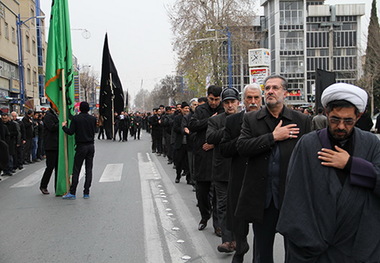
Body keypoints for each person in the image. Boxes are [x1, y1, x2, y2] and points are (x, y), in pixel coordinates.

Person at [277, 83, 380, 262]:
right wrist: (307, 240)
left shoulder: (371, 144)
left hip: (357, 247)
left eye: (348, 121)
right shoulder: (308, 145)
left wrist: (351, 164)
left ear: (359, 116)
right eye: (335, 119)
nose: (341, 126)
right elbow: (295, 197)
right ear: (326, 113)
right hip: (314, 247)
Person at [236, 75, 311, 263]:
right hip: (263, 199)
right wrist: (273, 137)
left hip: (291, 198)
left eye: (275, 88)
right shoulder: (252, 120)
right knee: (262, 252)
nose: (270, 91)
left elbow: (309, 157)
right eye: (267, 88)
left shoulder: (302, 121)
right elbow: (243, 148)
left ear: (284, 93)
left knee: (294, 251)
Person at [220, 84, 263, 263]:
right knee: (239, 218)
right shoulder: (232, 121)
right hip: (240, 176)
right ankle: (240, 247)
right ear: (243, 101)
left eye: (256, 98)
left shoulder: (269, 120)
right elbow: (224, 149)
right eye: (249, 98)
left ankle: (259, 256)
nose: (252, 102)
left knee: (262, 223)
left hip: (262, 177)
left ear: (261, 99)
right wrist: (242, 140)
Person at [206, 87, 241, 253]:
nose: (230, 105)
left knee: (240, 207)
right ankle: (227, 240)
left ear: (238, 102)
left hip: (242, 169)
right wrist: (229, 127)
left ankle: (239, 239)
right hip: (222, 171)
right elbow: (210, 138)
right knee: (223, 206)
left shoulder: (246, 118)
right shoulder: (216, 120)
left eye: (232, 102)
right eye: (226, 102)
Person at [189, 85, 224, 232]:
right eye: (211, 99)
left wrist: (214, 144)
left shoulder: (224, 110)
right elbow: (192, 125)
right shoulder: (200, 110)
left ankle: (218, 225)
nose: (214, 103)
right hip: (202, 155)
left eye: (217, 100)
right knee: (201, 192)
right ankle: (204, 215)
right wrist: (210, 120)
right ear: (207, 96)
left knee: (218, 193)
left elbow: (228, 130)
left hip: (218, 155)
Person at [61, 102, 97, 200]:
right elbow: (95, 130)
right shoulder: (93, 119)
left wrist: (64, 126)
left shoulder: (76, 119)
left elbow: (71, 132)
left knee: (76, 169)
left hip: (81, 146)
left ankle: (73, 192)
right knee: (89, 170)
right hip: (91, 146)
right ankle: (86, 192)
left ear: (80, 109)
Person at [39, 107, 59, 195]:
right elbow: (52, 127)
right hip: (51, 145)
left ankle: (58, 187)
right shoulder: (48, 116)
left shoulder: (57, 115)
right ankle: (43, 186)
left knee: (58, 168)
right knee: (50, 167)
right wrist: (61, 124)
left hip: (58, 145)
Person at [172, 102, 190, 183]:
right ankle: (178, 176)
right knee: (179, 161)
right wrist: (183, 130)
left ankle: (189, 178)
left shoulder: (191, 117)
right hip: (180, 142)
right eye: (185, 108)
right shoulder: (177, 118)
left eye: (188, 108)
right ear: (182, 109)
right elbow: (175, 128)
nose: (187, 110)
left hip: (189, 143)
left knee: (189, 162)